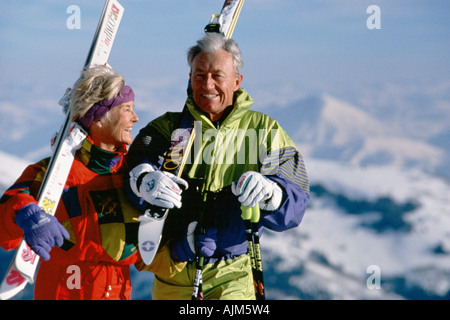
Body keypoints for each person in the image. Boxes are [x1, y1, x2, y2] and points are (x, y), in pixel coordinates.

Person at [128, 33, 310, 300]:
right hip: (172, 268)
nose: (207, 84)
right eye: (199, 75)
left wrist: (273, 193)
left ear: (237, 81)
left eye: (217, 75)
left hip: (232, 275)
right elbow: (134, 165)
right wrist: (144, 180)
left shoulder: (264, 130)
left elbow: (296, 202)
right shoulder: (168, 127)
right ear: (189, 79)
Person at [0, 65, 142, 300]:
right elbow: (5, 220)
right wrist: (25, 213)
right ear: (97, 118)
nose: (135, 118)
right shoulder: (54, 172)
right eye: (127, 109)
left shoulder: (134, 172)